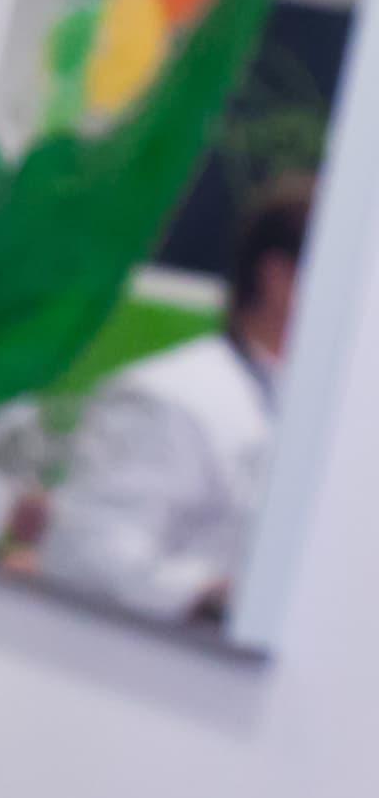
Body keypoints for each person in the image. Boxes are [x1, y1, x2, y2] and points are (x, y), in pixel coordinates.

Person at [36, 173, 307, 623]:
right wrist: (215, 595)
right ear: (279, 279)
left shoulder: (327, 421)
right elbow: (87, 555)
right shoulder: (172, 396)